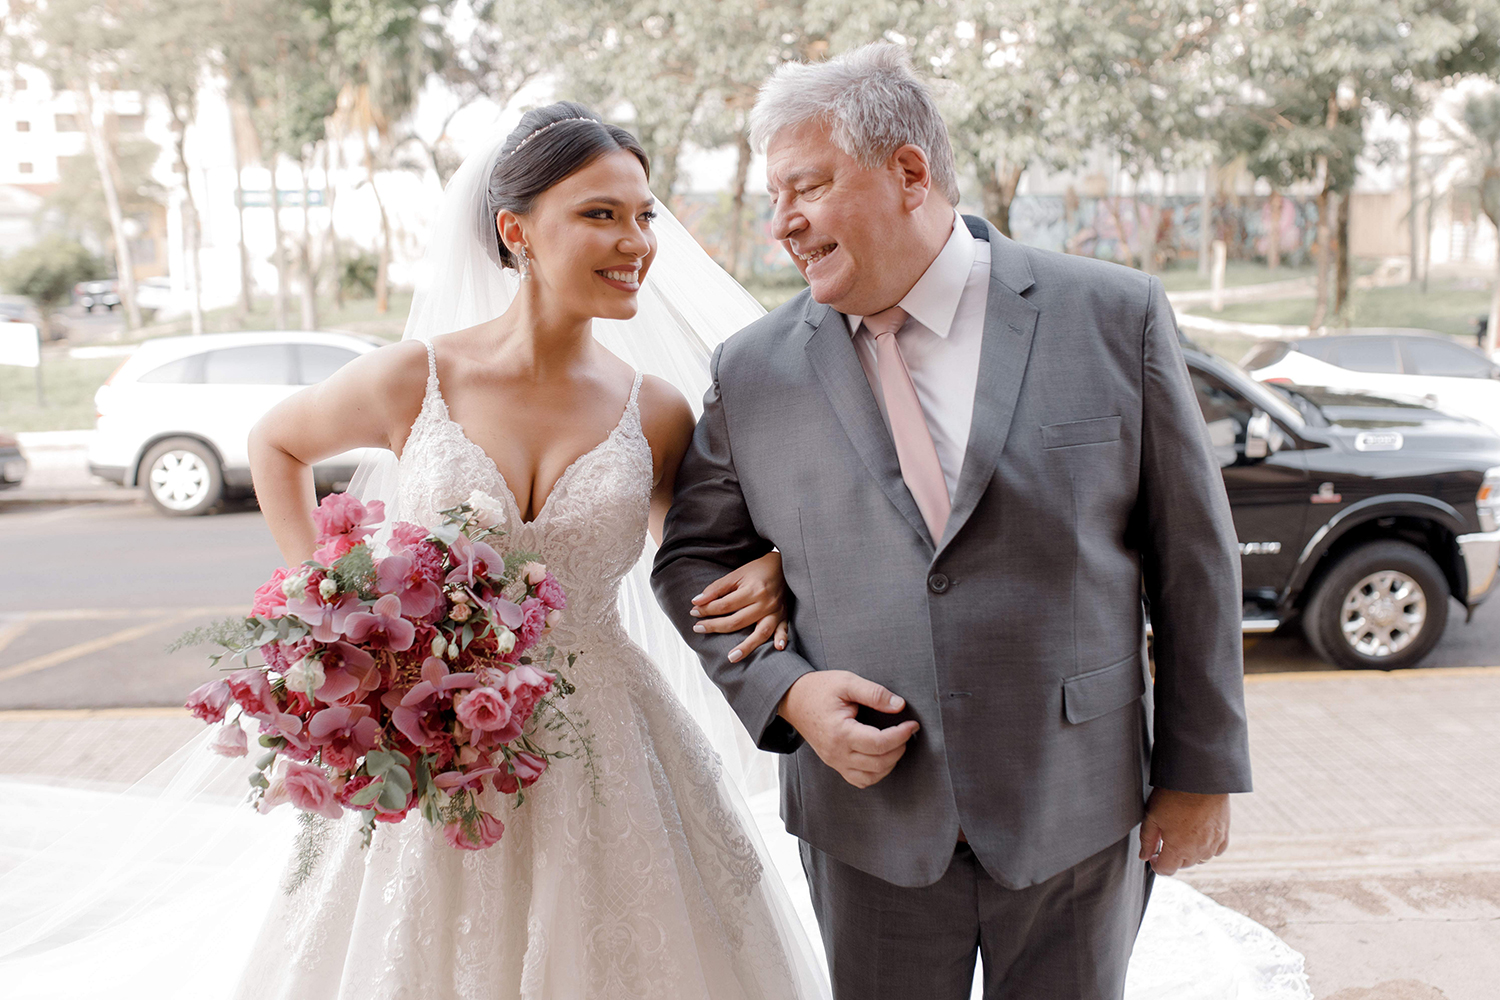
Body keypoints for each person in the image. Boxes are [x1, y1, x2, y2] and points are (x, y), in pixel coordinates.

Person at [651, 44, 1254, 1000]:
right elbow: (690, 563)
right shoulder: (752, 370)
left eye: (804, 189)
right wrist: (790, 695)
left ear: (908, 173)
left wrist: (1201, 773)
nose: (783, 226)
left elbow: (1195, 560)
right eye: (775, 199)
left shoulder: (1112, 314)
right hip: (868, 824)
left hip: (1074, 801)